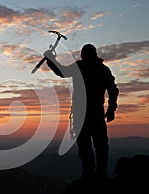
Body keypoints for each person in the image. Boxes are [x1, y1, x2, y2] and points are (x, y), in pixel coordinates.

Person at [44, 44, 119, 180]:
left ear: (84, 55)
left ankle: (89, 174)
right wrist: (111, 109)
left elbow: (62, 72)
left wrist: (51, 60)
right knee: (99, 146)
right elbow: (113, 90)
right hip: (96, 113)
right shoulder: (103, 69)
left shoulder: (80, 67)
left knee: (87, 146)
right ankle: (99, 174)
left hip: (82, 113)